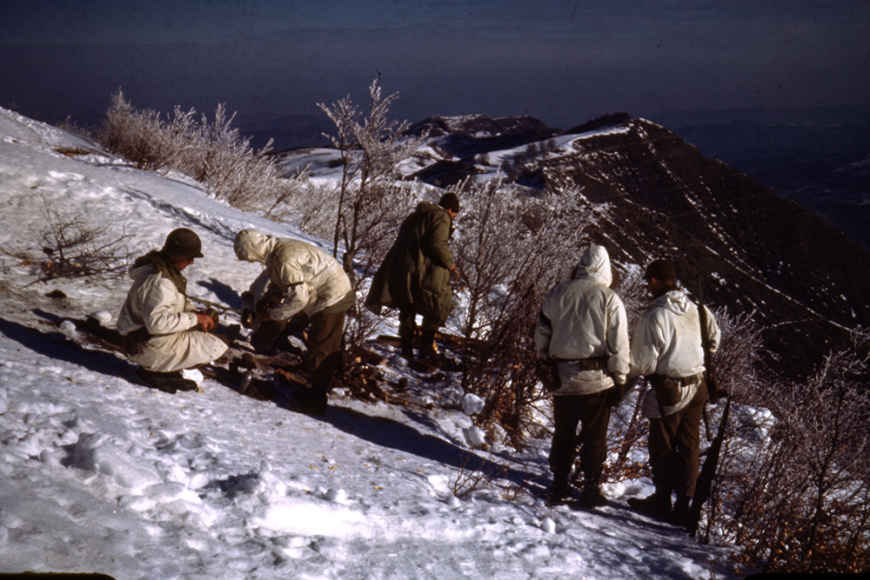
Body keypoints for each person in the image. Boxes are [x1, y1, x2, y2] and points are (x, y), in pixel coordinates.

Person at [534, 244, 630, 507]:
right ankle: (590, 489)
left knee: (563, 433)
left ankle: (559, 484)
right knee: (594, 437)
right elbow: (619, 345)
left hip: (562, 379)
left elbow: (542, 331)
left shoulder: (557, 292)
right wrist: (620, 379)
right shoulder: (609, 299)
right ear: (606, 270)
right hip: (595, 381)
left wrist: (545, 360)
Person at [627, 259, 720, 527]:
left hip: (671, 390)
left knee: (663, 446)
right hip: (699, 385)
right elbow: (714, 338)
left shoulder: (654, 315)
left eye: (648, 281)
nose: (647, 285)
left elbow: (642, 363)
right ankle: (684, 505)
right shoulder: (697, 308)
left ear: (655, 281)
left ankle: (662, 499)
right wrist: (700, 357)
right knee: (690, 446)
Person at [233, 229, 354, 415]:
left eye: (249, 257)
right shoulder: (277, 253)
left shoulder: (283, 257)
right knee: (318, 343)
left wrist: (273, 314)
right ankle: (312, 389)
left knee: (322, 346)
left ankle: (315, 401)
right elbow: (281, 284)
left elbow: (298, 299)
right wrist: (269, 300)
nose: (251, 261)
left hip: (334, 294)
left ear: (253, 250)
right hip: (319, 292)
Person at [118, 228, 232, 393]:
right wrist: (194, 319)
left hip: (147, 339)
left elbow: (179, 303)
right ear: (174, 255)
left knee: (210, 329)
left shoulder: (168, 272)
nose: (191, 262)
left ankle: (166, 369)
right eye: (189, 257)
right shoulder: (160, 281)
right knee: (220, 344)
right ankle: (154, 371)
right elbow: (157, 323)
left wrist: (198, 315)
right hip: (142, 344)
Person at [365, 192, 459, 360]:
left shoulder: (415, 216)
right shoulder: (442, 216)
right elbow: (437, 244)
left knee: (407, 308)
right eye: (454, 215)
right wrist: (450, 264)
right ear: (450, 209)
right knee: (435, 305)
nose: (452, 218)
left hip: (402, 268)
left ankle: (406, 351)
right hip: (422, 270)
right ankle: (425, 351)